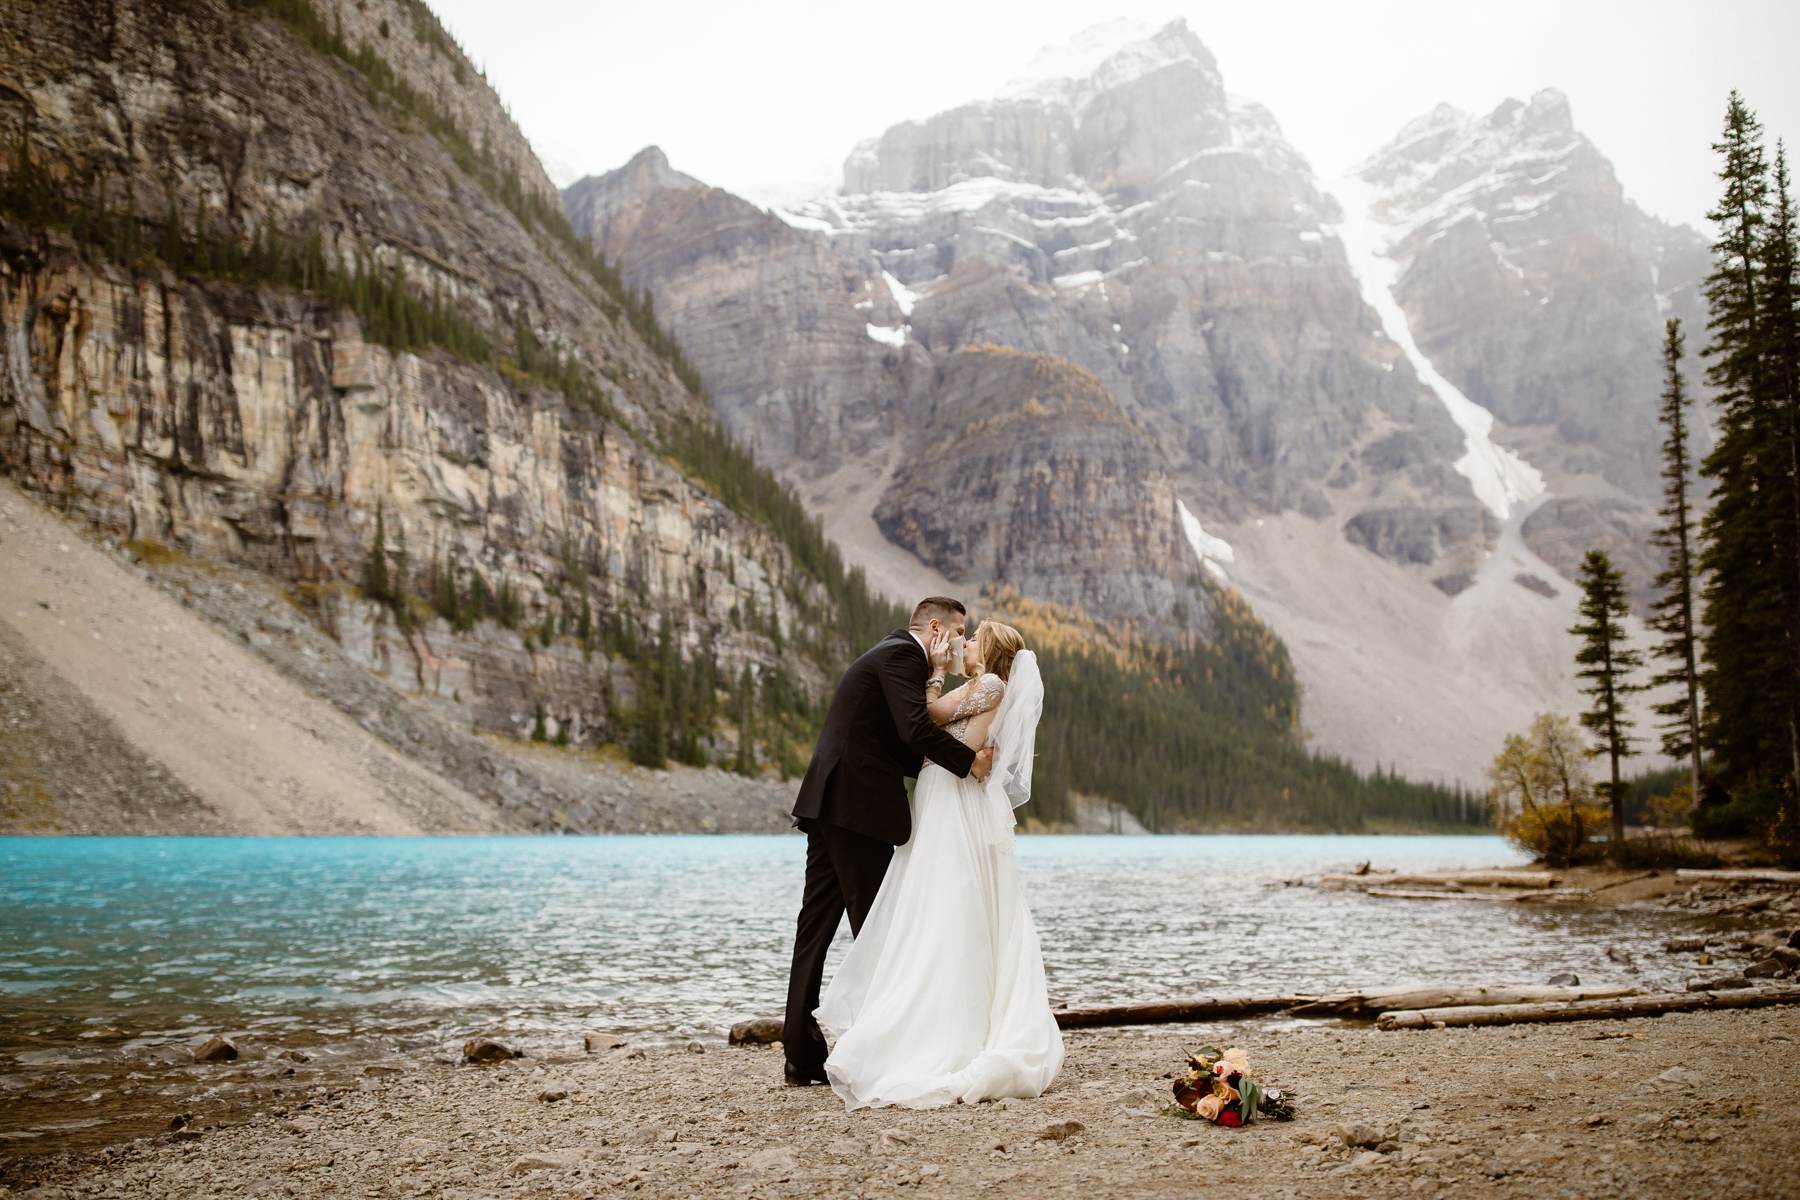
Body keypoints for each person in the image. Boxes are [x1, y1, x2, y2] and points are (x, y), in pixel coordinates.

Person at [814, 619, 1062, 1109]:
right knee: (934, 903)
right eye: (961, 637)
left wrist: (932, 668)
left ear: (986, 649)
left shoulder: (989, 682)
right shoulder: (983, 686)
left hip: (951, 803)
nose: (963, 643)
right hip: (943, 795)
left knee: (942, 903)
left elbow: (927, 716)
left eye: (971, 639)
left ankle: (935, 1025)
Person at [781, 597, 994, 1086]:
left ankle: (801, 1052)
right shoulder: (902, 655)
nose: (963, 642)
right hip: (858, 809)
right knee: (879, 930)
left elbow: (893, 738)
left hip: (834, 802)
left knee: (815, 927)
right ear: (937, 627)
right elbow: (914, 730)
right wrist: (969, 764)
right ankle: (879, 1052)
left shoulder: (895, 654)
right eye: (961, 632)